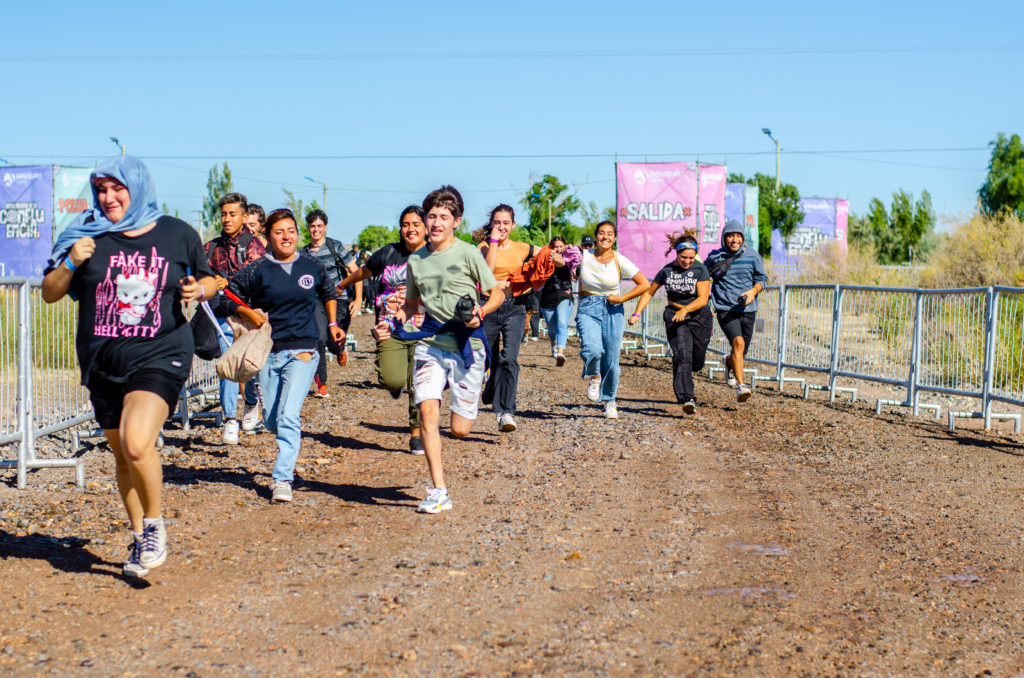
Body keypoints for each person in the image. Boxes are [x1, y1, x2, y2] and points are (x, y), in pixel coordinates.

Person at [41, 156, 217, 578]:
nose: (108, 197)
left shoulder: (177, 233)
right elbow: (49, 292)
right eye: (100, 189)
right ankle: (139, 537)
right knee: (122, 456)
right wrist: (70, 262)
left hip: (162, 352)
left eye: (116, 188)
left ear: (137, 187)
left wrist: (199, 287)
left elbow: (210, 279)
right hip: (102, 358)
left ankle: (155, 525)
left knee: (139, 443)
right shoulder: (84, 234)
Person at [374, 185, 504, 513]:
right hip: (429, 342)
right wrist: (390, 322)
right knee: (427, 410)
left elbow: (496, 294)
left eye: (443, 217)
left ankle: (477, 379)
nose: (435, 223)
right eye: (431, 216)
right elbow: (413, 305)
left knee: (459, 429)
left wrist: (481, 313)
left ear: (456, 221)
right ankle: (439, 490)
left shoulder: (469, 254)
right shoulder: (416, 260)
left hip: (466, 344)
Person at [227, 208, 343, 503]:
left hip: (304, 350)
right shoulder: (256, 270)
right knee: (273, 421)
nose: (286, 236)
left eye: (291, 230)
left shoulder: (311, 265)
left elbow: (330, 292)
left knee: (289, 416)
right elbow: (227, 294)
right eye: (279, 232)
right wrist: (247, 314)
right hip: (268, 352)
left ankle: (282, 479)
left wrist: (332, 324)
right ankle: (280, 441)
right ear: (268, 237)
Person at [338, 206, 428, 454]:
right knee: (392, 379)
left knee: (418, 383)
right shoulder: (389, 252)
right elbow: (365, 271)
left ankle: (416, 433)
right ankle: (395, 382)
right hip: (390, 328)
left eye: (416, 224)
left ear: (426, 227)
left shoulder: (435, 255)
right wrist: (343, 284)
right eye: (406, 224)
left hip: (425, 329)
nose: (411, 229)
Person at [476, 204, 545, 433]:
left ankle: (506, 412)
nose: (502, 226)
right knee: (490, 359)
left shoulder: (522, 247)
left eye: (506, 223)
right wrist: (494, 242)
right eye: (497, 222)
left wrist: (559, 257)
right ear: (491, 224)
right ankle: (491, 386)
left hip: (515, 307)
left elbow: (548, 255)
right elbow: (487, 273)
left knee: (510, 358)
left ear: (513, 225)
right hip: (490, 306)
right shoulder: (484, 247)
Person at [204, 192, 266, 443]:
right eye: (223, 214)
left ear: (243, 216)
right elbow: (197, 271)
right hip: (222, 314)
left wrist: (227, 282)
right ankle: (230, 418)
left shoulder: (254, 246)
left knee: (248, 366)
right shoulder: (211, 247)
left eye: (232, 214)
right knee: (229, 362)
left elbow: (256, 278)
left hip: (250, 315)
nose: (227, 219)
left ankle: (251, 401)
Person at [629, 230, 712, 414]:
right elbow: (649, 291)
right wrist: (636, 313)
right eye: (684, 257)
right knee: (683, 355)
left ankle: (685, 370)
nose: (688, 261)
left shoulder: (700, 270)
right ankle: (687, 398)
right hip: (675, 316)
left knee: (696, 362)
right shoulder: (666, 271)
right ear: (676, 252)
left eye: (691, 258)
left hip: (700, 317)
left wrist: (686, 309)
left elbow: (703, 299)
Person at [575, 221, 650, 419]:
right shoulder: (583, 256)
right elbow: (560, 260)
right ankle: (594, 375)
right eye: (601, 233)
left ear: (614, 238)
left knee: (611, 360)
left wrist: (622, 298)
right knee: (592, 348)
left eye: (609, 234)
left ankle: (610, 400)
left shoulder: (620, 259)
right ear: (596, 236)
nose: (605, 237)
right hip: (588, 307)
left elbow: (644, 284)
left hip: (613, 309)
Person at [706, 219, 768, 402]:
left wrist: (753, 291)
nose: (734, 240)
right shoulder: (715, 257)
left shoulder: (753, 256)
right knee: (738, 343)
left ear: (743, 238)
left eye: (738, 236)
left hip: (748, 308)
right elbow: (702, 275)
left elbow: (762, 279)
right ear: (724, 238)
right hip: (725, 308)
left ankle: (728, 362)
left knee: (741, 352)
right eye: (730, 236)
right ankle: (742, 387)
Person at [301, 209, 361, 396]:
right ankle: (322, 384)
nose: (316, 230)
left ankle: (340, 349)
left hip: (339, 299)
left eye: (319, 226)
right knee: (318, 337)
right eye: (312, 226)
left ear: (325, 228)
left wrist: (358, 300)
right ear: (308, 228)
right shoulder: (303, 253)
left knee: (332, 340)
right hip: (317, 302)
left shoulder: (335, 246)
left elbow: (356, 271)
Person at [538, 235, 574, 366]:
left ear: (564, 246)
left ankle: (560, 352)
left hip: (564, 294)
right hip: (547, 296)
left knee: (562, 322)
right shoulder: (545, 257)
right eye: (555, 247)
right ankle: (553, 343)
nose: (558, 249)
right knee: (552, 329)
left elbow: (571, 266)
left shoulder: (570, 258)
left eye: (560, 246)